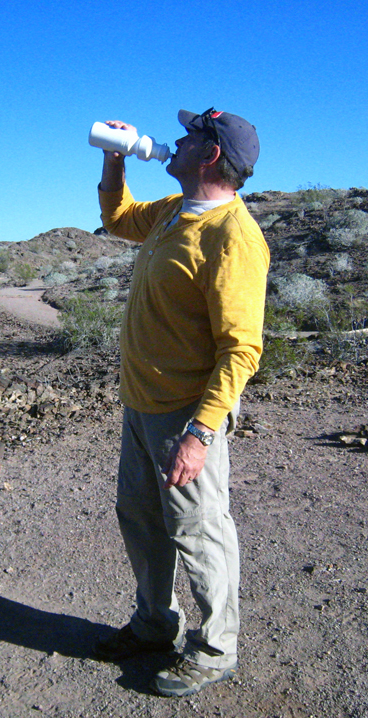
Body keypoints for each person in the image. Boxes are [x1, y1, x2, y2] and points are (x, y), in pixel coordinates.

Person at [92, 109, 269, 697]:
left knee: (198, 530)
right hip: (141, 404)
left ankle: (216, 648)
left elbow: (241, 350)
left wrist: (200, 433)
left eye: (193, 135)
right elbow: (117, 218)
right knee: (141, 521)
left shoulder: (233, 238)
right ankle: (154, 626)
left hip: (184, 415)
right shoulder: (172, 212)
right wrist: (115, 158)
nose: (178, 139)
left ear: (210, 155)